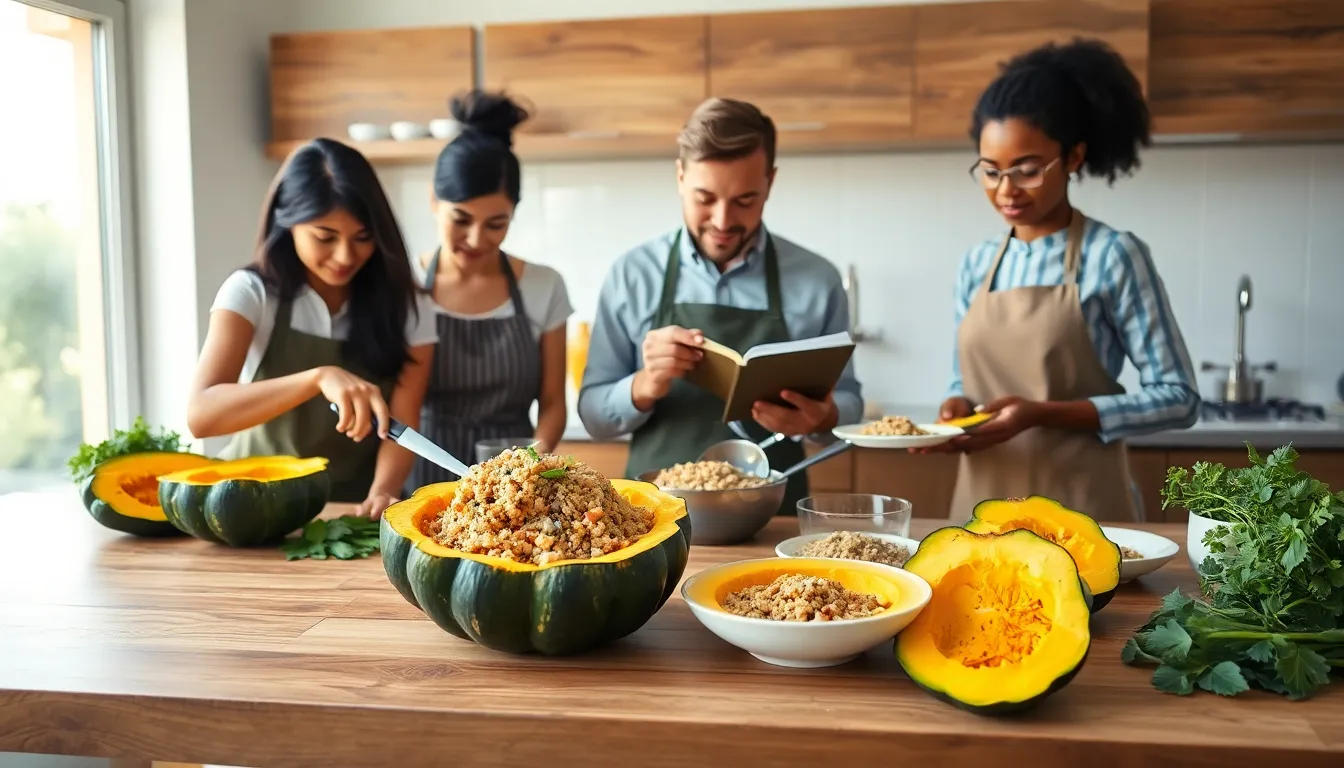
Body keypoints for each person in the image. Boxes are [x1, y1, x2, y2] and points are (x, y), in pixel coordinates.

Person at [933, 38, 1200, 522]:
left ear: (1074, 158)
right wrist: (955, 407)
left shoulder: (1113, 255)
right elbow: (965, 380)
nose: (1006, 190)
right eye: (990, 171)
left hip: (1085, 515)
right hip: (980, 516)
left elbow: (1178, 399)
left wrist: (1042, 413)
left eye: (1027, 170)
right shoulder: (977, 264)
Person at [579, 97, 864, 516]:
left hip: (773, 521)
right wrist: (644, 385)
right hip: (651, 523)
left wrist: (823, 418)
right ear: (679, 176)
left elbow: (851, 407)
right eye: (704, 197)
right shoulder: (632, 274)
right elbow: (593, 416)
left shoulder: (817, 281)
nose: (723, 220)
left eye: (745, 200)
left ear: (770, 181)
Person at [188, 138, 438, 518]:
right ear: (287, 223)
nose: (345, 256)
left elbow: (405, 423)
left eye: (362, 238)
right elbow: (201, 416)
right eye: (325, 237)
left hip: (349, 510)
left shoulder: (411, 305)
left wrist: (384, 491)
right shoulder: (251, 292)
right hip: (246, 507)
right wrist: (317, 378)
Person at [407, 90, 573, 489]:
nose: (476, 238)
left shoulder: (543, 286)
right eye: (460, 220)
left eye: (496, 223)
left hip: (515, 483)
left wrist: (531, 467)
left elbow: (552, 403)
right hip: (426, 479)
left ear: (513, 213)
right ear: (433, 200)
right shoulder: (405, 285)